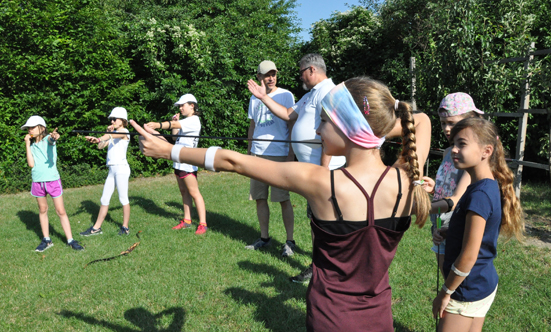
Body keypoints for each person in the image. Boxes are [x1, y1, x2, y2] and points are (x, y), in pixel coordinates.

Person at [131, 76, 432, 331]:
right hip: (380, 319)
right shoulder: (406, 180)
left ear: (349, 126)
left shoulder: (319, 182)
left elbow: (233, 161)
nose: (316, 130)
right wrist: (374, 128)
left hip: (329, 318)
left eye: (324, 121)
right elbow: (421, 120)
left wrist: (168, 150)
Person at [248, 53, 346, 281]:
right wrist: (263, 97)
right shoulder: (310, 95)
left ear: (311, 70)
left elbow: (332, 137)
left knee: (327, 220)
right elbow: (286, 114)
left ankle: (325, 268)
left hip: (324, 172)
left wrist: (322, 171)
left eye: (302, 71)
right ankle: (320, 265)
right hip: (312, 171)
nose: (300, 76)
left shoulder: (330, 93)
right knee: (317, 219)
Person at [432, 117, 524, 332]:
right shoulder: (485, 185)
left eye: (461, 144)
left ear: (486, 151)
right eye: (453, 143)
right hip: (483, 282)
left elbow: (469, 256)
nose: (454, 149)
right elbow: (478, 234)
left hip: (465, 289)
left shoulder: (479, 195)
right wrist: (450, 231)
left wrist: (445, 292)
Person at [422, 93, 483, 276]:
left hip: (455, 223)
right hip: (439, 220)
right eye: (443, 123)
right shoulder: (448, 151)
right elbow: (449, 188)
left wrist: (417, 208)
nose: (447, 128)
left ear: (470, 120)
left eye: (452, 122)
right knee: (444, 271)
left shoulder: (470, 157)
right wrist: (435, 189)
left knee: (454, 275)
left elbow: (456, 199)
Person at [245, 60, 296, 256]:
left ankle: (289, 242)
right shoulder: (254, 97)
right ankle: (264, 238)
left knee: (283, 199)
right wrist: (250, 151)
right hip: (258, 154)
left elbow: (291, 125)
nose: (271, 78)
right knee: (259, 198)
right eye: (267, 74)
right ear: (259, 77)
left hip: (279, 154)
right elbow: (252, 125)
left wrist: (291, 154)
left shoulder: (285, 95)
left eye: (273, 74)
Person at [145, 94, 208, 235]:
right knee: (184, 192)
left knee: (194, 192)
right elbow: (175, 137)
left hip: (188, 163)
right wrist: (175, 123)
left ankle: (203, 224)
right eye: (179, 106)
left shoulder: (193, 120)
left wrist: (157, 125)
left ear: (192, 105)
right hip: (178, 161)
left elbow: (173, 125)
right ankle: (187, 220)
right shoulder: (185, 121)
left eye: (182, 105)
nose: (180, 108)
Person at [22, 115, 84, 252]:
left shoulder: (47, 140)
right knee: (42, 210)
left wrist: (54, 136)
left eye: (32, 127)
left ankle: (70, 240)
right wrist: (27, 144)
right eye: (28, 128)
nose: (29, 130)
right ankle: (47, 240)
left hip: (52, 180)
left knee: (60, 211)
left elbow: (52, 139)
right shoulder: (31, 146)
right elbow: (31, 164)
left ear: (42, 128)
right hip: (37, 182)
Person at [80, 107, 132, 236]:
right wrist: (101, 138)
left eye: (115, 119)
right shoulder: (112, 134)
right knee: (104, 199)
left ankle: (125, 227)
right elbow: (100, 146)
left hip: (121, 169)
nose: (112, 121)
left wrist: (100, 137)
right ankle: (96, 228)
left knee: (123, 198)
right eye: (111, 119)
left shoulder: (124, 132)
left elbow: (106, 138)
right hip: (112, 169)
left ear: (123, 120)